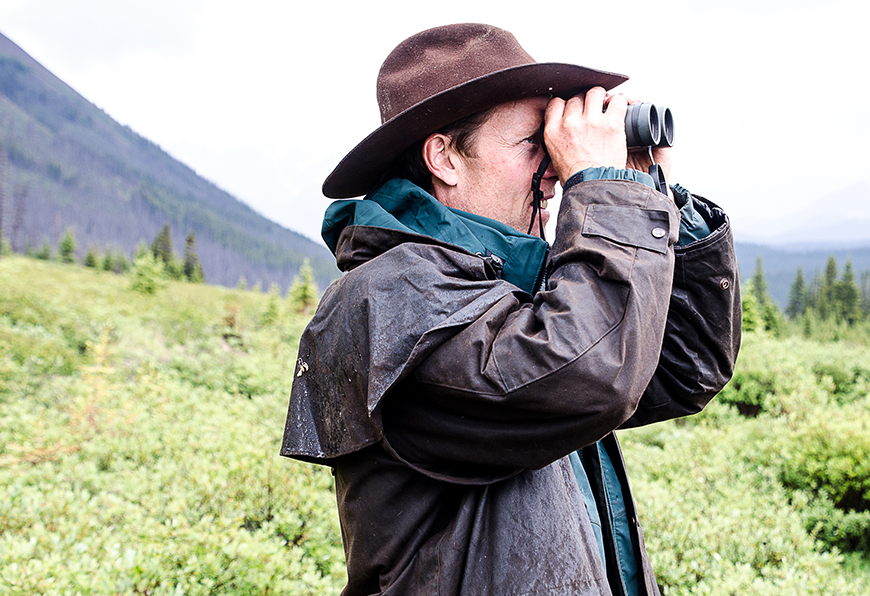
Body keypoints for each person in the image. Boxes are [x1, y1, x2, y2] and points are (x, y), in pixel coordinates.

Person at [280, 23, 741, 596]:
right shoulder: (385, 299)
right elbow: (592, 374)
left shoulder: (515, 284)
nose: (553, 172)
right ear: (444, 157)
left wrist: (651, 193)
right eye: (534, 144)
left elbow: (683, 366)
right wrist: (603, 191)